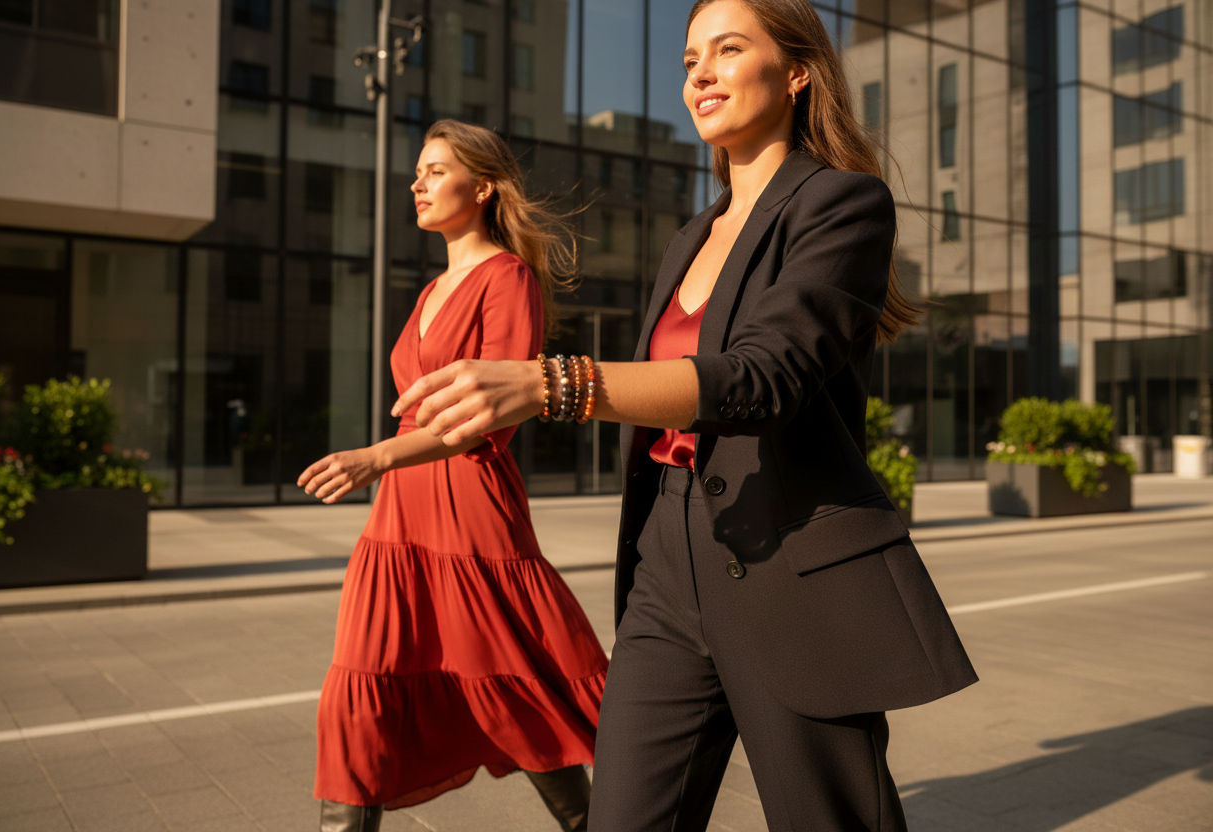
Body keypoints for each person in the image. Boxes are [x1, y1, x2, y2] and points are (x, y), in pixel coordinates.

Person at [390, 1, 978, 830]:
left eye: (728, 50)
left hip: (791, 553)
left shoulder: (842, 204)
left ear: (798, 72)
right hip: (668, 552)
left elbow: (766, 377)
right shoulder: (689, 237)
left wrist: (558, 384)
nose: (698, 73)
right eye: (689, 58)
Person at [298, 119, 606, 832]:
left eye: (436, 170)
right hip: (401, 515)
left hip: (469, 508)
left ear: (484, 186)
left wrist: (376, 457)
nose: (418, 183)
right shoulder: (433, 287)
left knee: (511, 684)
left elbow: (489, 421)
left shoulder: (509, 279)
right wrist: (387, 464)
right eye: (419, 171)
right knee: (359, 686)